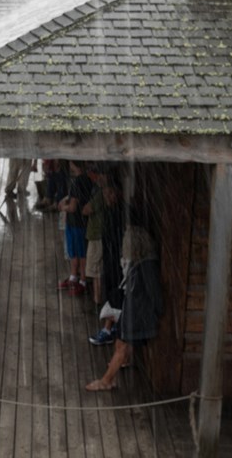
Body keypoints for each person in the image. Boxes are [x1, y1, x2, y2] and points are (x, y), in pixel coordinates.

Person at [86, 225, 162, 392]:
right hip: (133, 312)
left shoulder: (148, 267)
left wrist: (153, 313)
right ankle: (111, 377)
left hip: (137, 315)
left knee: (121, 346)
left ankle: (106, 381)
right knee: (121, 344)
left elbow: (154, 294)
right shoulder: (141, 263)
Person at [82, 165, 125, 316]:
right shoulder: (110, 197)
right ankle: (100, 299)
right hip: (106, 239)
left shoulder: (102, 195)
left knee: (95, 271)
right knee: (100, 270)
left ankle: (97, 300)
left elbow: (86, 210)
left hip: (99, 237)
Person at [57, 160, 92, 296]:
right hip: (81, 222)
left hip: (76, 222)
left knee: (77, 252)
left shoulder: (77, 182)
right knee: (80, 251)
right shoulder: (87, 180)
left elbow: (72, 207)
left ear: (74, 164)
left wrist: (62, 207)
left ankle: (80, 280)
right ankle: (75, 278)